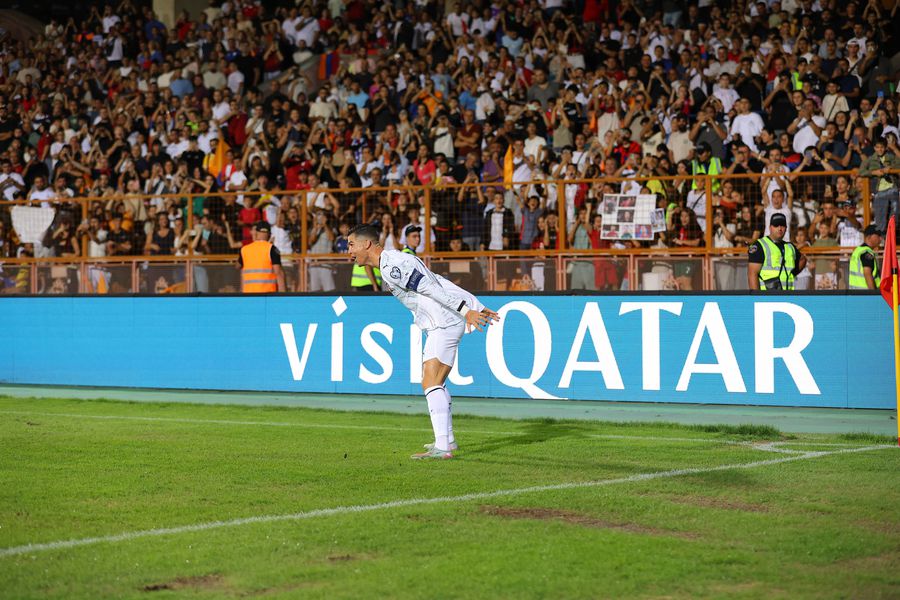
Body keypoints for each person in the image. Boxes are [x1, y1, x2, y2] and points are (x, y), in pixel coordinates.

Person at [347, 224, 499, 459]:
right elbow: (438, 281)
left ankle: (443, 448)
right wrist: (472, 305)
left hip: (444, 321)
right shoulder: (392, 262)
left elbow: (432, 289)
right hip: (442, 321)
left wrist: (467, 310)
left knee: (430, 381)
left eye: (351, 245)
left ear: (366, 244)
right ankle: (447, 440)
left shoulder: (392, 266)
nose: (348, 251)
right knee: (435, 381)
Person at [747, 213, 807, 292]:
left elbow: (803, 259)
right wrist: (757, 297)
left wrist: (791, 274)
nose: (779, 228)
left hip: (788, 295)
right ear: (770, 228)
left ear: (786, 228)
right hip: (767, 296)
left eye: (782, 225)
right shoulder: (759, 245)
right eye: (776, 225)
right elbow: (752, 274)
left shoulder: (790, 247)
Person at [238, 221, 286, 293]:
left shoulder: (244, 249)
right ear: (269, 234)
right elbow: (278, 273)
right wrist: (283, 296)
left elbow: (240, 271)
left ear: (256, 233)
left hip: (248, 294)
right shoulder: (272, 249)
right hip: (267, 294)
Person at [849, 225, 882, 290]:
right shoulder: (867, 252)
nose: (880, 238)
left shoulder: (858, 250)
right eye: (878, 235)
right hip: (866, 293)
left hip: (855, 292)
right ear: (869, 237)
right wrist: (874, 293)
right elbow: (867, 274)